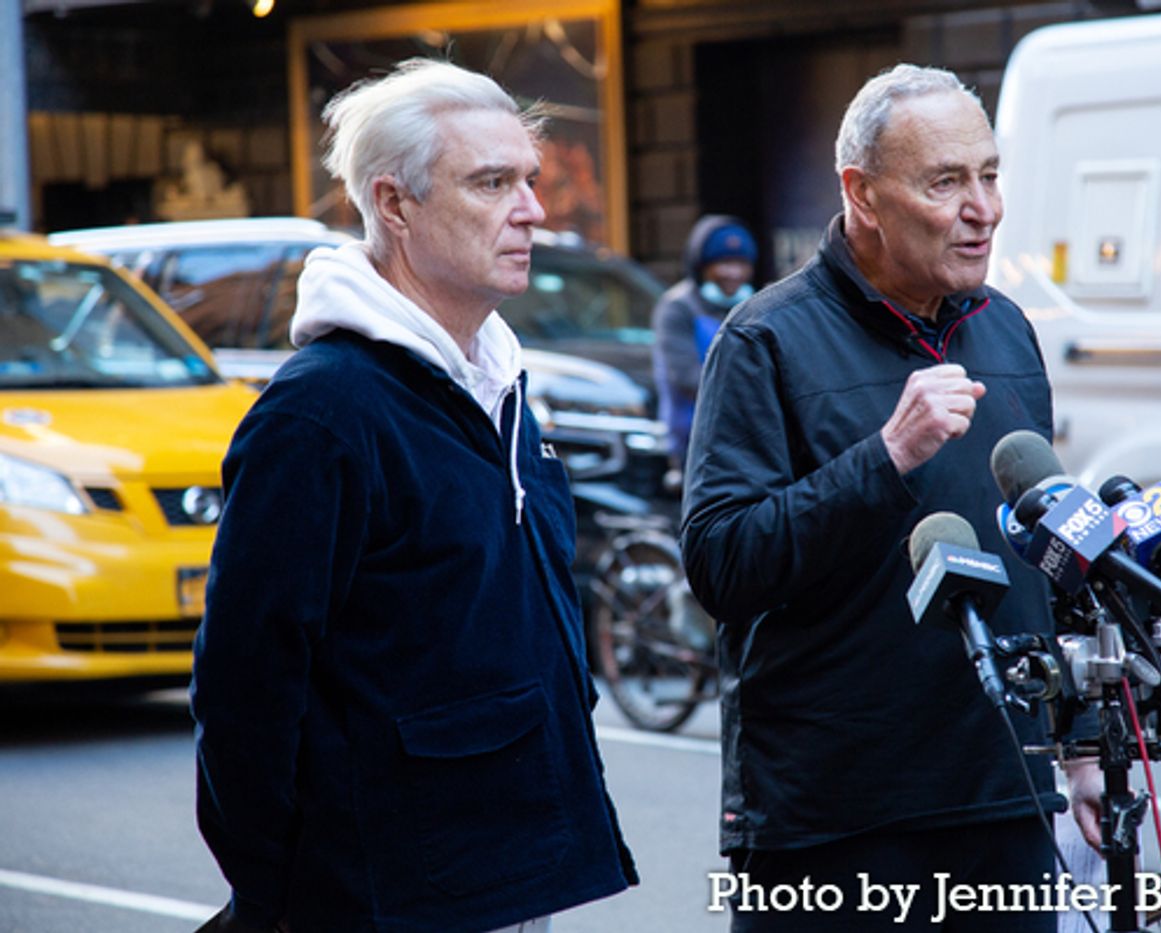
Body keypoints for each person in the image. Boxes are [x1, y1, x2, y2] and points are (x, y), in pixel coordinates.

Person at [190, 59, 636, 933]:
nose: (533, 210)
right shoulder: (323, 411)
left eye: (530, 181)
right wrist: (284, 895)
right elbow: (245, 687)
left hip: (513, 873)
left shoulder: (501, 386)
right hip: (387, 896)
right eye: (492, 182)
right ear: (395, 205)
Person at [680, 64, 1101, 931]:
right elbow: (723, 562)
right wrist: (886, 456)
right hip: (835, 820)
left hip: (1004, 799)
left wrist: (1084, 742)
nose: (982, 207)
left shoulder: (1008, 329)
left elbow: (1042, 555)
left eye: (990, 174)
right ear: (862, 195)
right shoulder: (765, 339)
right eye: (946, 181)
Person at [651, 214, 757, 472]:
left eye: (741, 263)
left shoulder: (755, 305)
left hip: (748, 441)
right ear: (701, 266)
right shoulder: (678, 308)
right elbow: (686, 377)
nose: (734, 273)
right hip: (694, 442)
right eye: (723, 263)